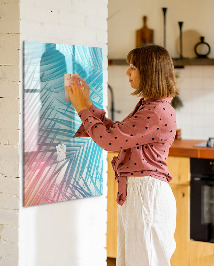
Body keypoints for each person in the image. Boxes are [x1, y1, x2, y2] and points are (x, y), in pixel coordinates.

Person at [65, 44, 179, 266]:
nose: (127, 72)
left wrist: (81, 108)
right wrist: (87, 103)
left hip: (146, 196)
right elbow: (116, 133)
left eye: (133, 67)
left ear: (149, 72)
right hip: (141, 193)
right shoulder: (151, 106)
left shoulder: (155, 111)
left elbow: (109, 141)